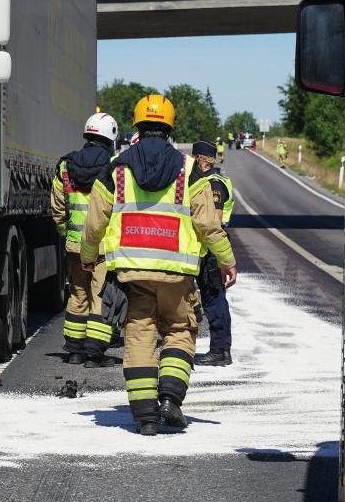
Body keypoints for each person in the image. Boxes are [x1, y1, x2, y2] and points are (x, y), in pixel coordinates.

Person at [81, 94, 237, 436]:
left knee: (139, 335)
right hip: (177, 275)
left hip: (131, 273)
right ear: (170, 127)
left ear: (137, 124)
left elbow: (95, 221)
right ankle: (170, 400)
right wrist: (226, 260)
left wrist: (88, 255)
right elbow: (208, 224)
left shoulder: (117, 168)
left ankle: (145, 417)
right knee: (180, 331)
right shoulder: (188, 170)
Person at [51, 112, 118, 367]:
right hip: (103, 246)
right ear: (110, 136)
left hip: (74, 244)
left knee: (77, 294)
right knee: (99, 296)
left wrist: (65, 234)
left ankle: (74, 350)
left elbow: (58, 208)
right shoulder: (114, 167)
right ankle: (94, 353)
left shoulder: (65, 166)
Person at [192, 141, 235, 366]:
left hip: (211, 250)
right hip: (208, 248)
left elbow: (215, 220)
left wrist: (218, 254)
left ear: (200, 158)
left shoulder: (213, 184)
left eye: (194, 157)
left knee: (214, 301)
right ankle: (221, 350)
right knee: (214, 299)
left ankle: (219, 350)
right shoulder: (210, 181)